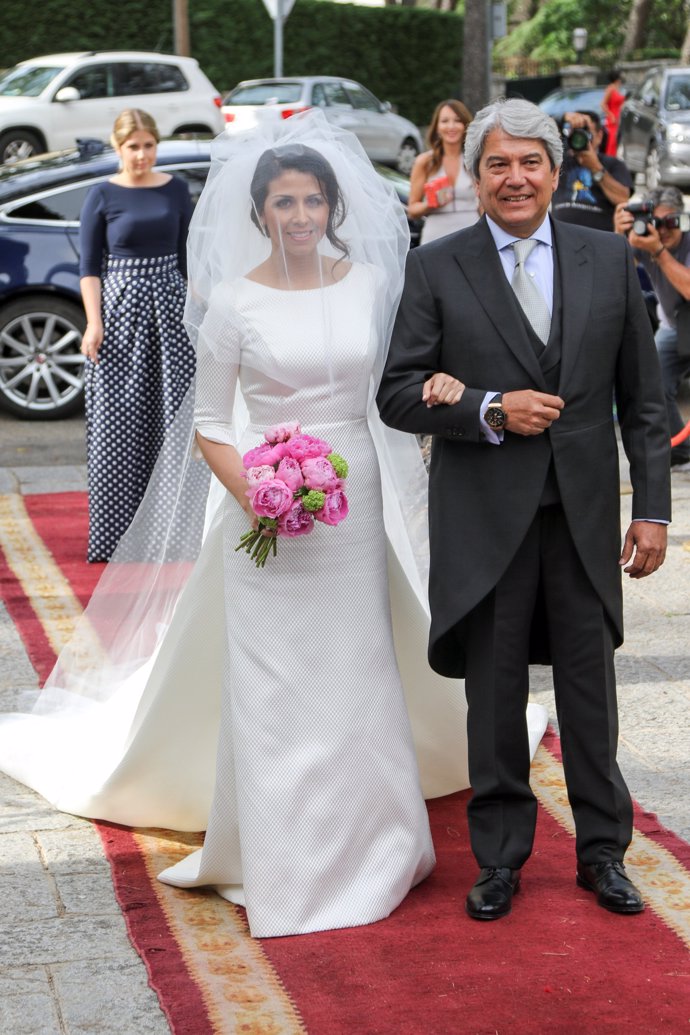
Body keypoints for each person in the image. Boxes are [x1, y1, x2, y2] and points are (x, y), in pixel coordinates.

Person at [0, 111, 551, 939]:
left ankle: (379, 840)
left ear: (333, 207)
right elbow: (211, 424)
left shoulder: (371, 284)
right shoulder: (230, 300)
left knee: (356, 668)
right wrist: (260, 492)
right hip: (262, 501)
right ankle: (282, 853)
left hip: (354, 492)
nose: (300, 216)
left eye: (312, 202)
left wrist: (452, 398)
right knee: (273, 681)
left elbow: (402, 383)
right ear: (259, 212)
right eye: (284, 203)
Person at [377, 97, 671, 922]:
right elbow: (398, 392)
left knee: (590, 694)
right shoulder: (439, 265)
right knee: (495, 697)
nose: (516, 178)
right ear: (475, 177)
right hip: (484, 518)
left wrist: (652, 508)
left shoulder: (607, 260)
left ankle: (602, 853)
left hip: (582, 521)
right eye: (498, 164)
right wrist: (486, 408)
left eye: (531, 162)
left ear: (556, 170)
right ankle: (499, 860)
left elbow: (644, 404)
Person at [79, 108, 195, 562]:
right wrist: (94, 322)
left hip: (171, 308)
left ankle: (173, 534)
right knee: (120, 423)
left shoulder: (177, 189)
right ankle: (117, 536)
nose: (142, 154)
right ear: (117, 147)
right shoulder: (101, 195)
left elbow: (188, 260)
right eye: (133, 146)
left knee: (175, 419)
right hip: (121, 313)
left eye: (149, 145)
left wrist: (198, 314)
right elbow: (90, 268)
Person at [614, 187, 690, 469]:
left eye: (672, 222)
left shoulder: (662, 243)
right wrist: (618, 234)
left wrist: (658, 251)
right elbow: (613, 271)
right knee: (653, 378)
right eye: (657, 222)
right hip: (673, 325)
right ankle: (680, 452)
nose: (664, 230)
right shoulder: (643, 239)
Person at [407, 99, 478, 243]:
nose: (451, 126)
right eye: (445, 121)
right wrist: (431, 204)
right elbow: (412, 210)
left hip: (472, 233)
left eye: (457, 120)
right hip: (436, 236)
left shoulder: (476, 160)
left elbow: (485, 206)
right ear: (437, 127)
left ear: (465, 125)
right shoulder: (425, 162)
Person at [551, 109, 632, 231]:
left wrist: (596, 167)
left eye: (587, 132)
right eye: (576, 133)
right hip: (561, 235)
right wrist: (563, 118)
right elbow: (537, 131)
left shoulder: (613, 164)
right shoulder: (560, 159)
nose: (581, 138)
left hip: (598, 237)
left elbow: (622, 199)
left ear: (599, 136)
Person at [602, 70, 626, 157]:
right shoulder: (610, 89)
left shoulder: (617, 89)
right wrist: (610, 114)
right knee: (611, 141)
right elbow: (603, 104)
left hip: (618, 117)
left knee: (616, 141)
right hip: (612, 118)